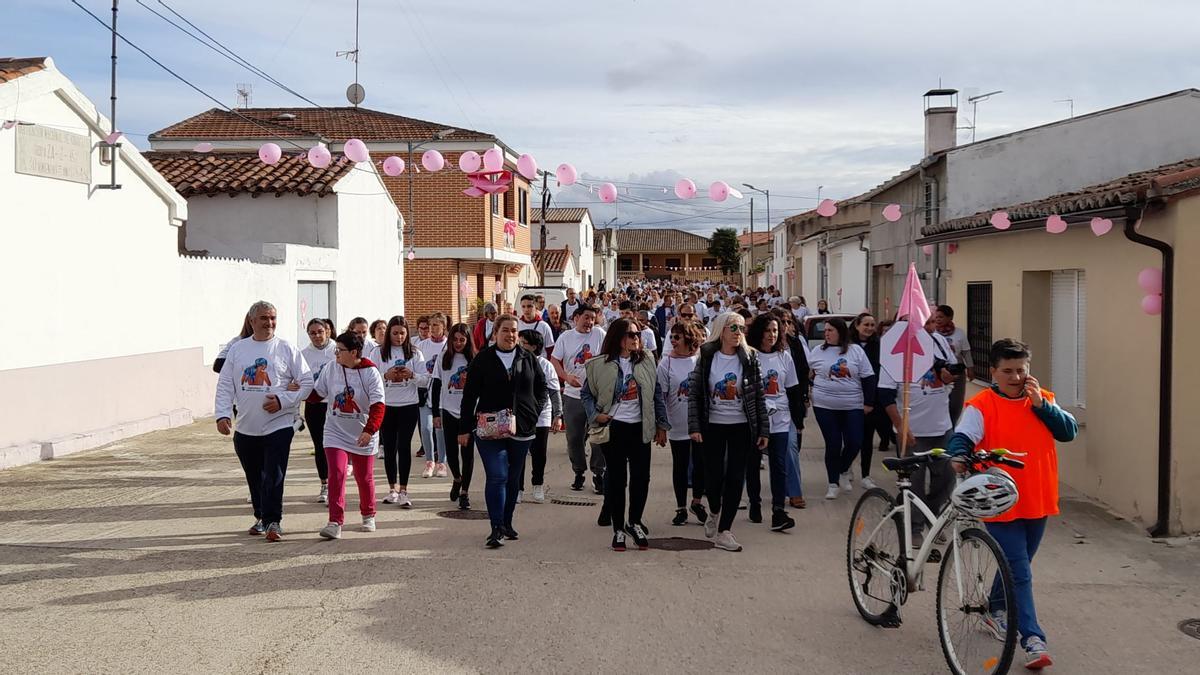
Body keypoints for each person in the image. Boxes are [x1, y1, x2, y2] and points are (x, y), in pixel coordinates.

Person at [947, 339, 1077, 670]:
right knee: (1020, 571)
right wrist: (959, 455)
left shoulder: (1042, 399)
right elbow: (962, 437)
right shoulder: (982, 405)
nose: (1015, 377)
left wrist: (1041, 405)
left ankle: (995, 608)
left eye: (1021, 370)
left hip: (1038, 497)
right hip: (998, 499)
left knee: (1017, 564)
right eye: (1007, 371)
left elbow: (1068, 432)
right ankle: (1032, 639)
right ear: (993, 372)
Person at [215, 301, 313, 542]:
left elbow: (307, 382)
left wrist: (282, 400)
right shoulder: (238, 349)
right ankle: (261, 516)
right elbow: (225, 384)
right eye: (264, 318)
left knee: (273, 475)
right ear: (252, 321)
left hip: (279, 424)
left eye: (273, 318)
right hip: (246, 427)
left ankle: (273, 521)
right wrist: (222, 414)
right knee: (255, 476)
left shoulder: (286, 348)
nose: (269, 323)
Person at [458, 315, 549, 548]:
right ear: (495, 333)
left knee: (512, 478)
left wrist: (533, 413)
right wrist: (464, 428)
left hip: (522, 428)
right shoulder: (483, 359)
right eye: (505, 330)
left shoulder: (528, 358)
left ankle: (507, 522)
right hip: (490, 427)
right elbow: (469, 396)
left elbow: (542, 388)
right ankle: (496, 527)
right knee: (497, 475)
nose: (510, 335)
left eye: (514, 331)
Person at [581, 318, 669, 551]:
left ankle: (635, 522)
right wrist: (595, 415)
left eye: (638, 334)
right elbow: (586, 394)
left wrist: (661, 425)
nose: (636, 339)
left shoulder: (647, 360)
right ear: (618, 337)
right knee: (617, 479)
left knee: (641, 478)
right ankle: (618, 528)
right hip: (614, 427)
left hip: (640, 427)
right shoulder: (599, 364)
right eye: (631, 335)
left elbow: (656, 393)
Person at [687, 311, 769, 553]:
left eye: (742, 328)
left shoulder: (750, 357)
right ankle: (714, 510)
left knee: (735, 477)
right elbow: (695, 393)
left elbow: (759, 395)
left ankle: (725, 531)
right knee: (713, 477)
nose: (738, 333)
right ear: (721, 331)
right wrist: (694, 426)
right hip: (712, 425)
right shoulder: (706, 355)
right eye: (733, 328)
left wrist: (763, 429)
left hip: (741, 425)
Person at [877, 316, 957, 546]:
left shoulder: (939, 344)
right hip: (912, 432)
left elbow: (952, 373)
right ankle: (915, 527)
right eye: (923, 323)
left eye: (930, 322)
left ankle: (932, 516)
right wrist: (901, 426)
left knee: (947, 479)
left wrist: (950, 376)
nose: (929, 327)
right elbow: (885, 396)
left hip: (942, 428)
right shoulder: (894, 355)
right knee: (915, 482)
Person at [315, 332, 386, 540]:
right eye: (335, 349)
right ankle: (335, 522)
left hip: (362, 433)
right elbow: (317, 393)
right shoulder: (331, 368)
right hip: (335, 431)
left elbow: (378, 405)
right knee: (336, 473)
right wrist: (294, 391)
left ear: (354, 352)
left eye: (340, 350)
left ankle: (368, 514)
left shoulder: (371, 372)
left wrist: (369, 430)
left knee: (363, 477)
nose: (336, 353)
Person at [745, 313, 805, 532]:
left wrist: (798, 419)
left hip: (780, 418)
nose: (772, 335)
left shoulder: (784, 356)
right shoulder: (749, 356)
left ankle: (778, 511)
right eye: (768, 330)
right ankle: (755, 502)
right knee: (753, 463)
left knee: (779, 464)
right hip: (755, 419)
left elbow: (793, 389)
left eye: (775, 331)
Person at [807, 317, 875, 500]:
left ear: (840, 332)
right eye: (825, 330)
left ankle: (843, 469)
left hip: (852, 404)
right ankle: (833, 483)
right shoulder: (817, 351)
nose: (826, 333)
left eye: (830, 330)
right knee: (833, 443)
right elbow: (808, 373)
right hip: (824, 405)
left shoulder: (856, 351)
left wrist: (869, 402)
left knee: (855, 442)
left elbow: (868, 377)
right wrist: (810, 389)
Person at [551, 304, 607, 493]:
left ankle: (599, 474)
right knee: (574, 438)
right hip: (573, 395)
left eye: (592, 318)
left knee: (598, 437)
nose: (589, 322)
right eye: (586, 317)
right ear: (576, 318)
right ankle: (578, 471)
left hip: (596, 397)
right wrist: (566, 377)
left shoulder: (600, 334)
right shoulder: (566, 337)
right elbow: (554, 360)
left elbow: (610, 356)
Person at [659, 321, 708, 526]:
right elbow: (661, 397)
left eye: (677, 337)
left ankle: (697, 502)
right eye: (671, 337)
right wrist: (661, 426)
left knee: (700, 463)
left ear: (689, 339)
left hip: (699, 424)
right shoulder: (666, 363)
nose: (673, 341)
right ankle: (681, 507)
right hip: (677, 423)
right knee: (680, 465)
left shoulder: (700, 360)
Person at [378, 316, 426, 509]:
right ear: (389, 333)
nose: (398, 337)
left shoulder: (415, 353)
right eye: (395, 333)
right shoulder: (378, 353)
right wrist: (385, 376)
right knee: (389, 448)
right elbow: (370, 378)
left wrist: (412, 375)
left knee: (404, 446)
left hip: (408, 405)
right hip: (386, 405)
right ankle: (392, 489)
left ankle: (404, 490)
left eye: (402, 333)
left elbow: (426, 379)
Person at [432, 323, 476, 510]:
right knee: (451, 452)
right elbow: (436, 385)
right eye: (455, 340)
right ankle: (457, 478)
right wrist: (435, 413)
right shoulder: (443, 357)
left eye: (462, 340)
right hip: (448, 411)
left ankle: (465, 492)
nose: (458, 343)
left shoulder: (474, 359)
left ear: (467, 341)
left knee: (467, 454)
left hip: (469, 413)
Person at [771, 308, 811, 509]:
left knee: (790, 448)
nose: (785, 326)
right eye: (781, 322)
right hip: (761, 409)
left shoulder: (795, 344)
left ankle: (794, 492)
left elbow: (802, 374)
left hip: (787, 407)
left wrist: (803, 402)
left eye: (788, 322)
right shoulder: (757, 348)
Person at [518, 328, 562, 504]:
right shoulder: (516, 362)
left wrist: (557, 415)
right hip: (520, 416)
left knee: (539, 453)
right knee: (519, 454)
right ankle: (518, 488)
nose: (520, 346)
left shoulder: (546, 365)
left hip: (541, 416)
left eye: (524, 343)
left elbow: (554, 391)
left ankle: (538, 485)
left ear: (534, 346)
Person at [301, 318, 336, 504]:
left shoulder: (337, 350)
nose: (317, 336)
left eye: (320, 332)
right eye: (312, 333)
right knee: (320, 445)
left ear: (327, 331)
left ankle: (337, 484)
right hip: (314, 405)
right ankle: (325, 484)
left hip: (335, 405)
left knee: (335, 446)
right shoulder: (303, 354)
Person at [851, 312, 887, 490]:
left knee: (867, 440)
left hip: (872, 399)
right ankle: (846, 467)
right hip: (850, 397)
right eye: (866, 324)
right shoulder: (848, 345)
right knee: (851, 440)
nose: (870, 328)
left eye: (872, 325)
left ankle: (865, 475)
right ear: (857, 325)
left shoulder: (880, 345)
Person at [417, 313, 449, 479]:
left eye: (436, 325)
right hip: (425, 394)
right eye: (431, 325)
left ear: (444, 326)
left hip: (442, 396)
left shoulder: (448, 346)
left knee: (440, 429)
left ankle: (442, 462)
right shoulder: (421, 346)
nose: (432, 328)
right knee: (426, 427)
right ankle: (429, 461)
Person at [934, 305, 973, 424]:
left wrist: (970, 368)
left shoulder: (959, 333)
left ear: (950, 317)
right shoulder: (933, 333)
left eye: (941, 317)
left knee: (956, 402)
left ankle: (952, 425)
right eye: (936, 317)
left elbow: (966, 352)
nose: (938, 319)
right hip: (938, 372)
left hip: (957, 372)